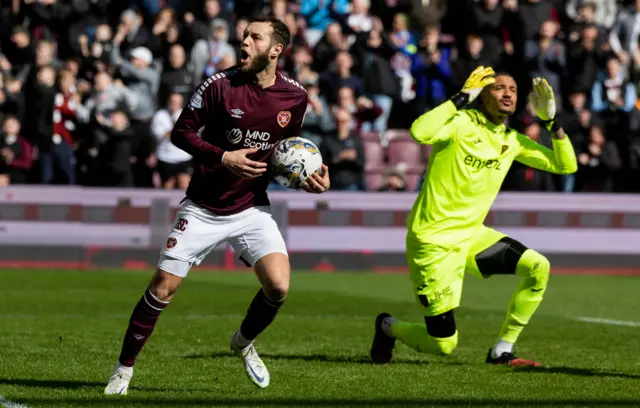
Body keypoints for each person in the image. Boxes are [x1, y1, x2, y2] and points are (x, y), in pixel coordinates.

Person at [104, 16, 330, 395]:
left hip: (251, 207)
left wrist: (309, 179)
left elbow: (283, 157)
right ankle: (122, 371)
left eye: (254, 38)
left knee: (278, 286)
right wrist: (224, 157)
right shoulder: (218, 85)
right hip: (203, 206)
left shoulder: (295, 97)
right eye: (244, 36)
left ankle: (242, 342)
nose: (244, 43)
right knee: (162, 288)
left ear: (276, 49)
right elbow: (181, 133)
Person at [370, 67, 577, 366]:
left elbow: (565, 166)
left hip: (471, 236)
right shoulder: (460, 123)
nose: (507, 93)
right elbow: (420, 131)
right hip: (433, 241)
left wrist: (551, 123)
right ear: (483, 95)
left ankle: (502, 350)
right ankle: (387, 327)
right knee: (443, 345)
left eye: (513, 89)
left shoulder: (512, 140)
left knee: (537, 267)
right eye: (499, 88)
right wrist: (462, 97)